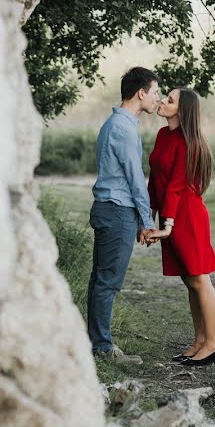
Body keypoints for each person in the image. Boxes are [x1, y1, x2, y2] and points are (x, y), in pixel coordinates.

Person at [88, 67, 161, 363]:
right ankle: (103, 349)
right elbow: (135, 180)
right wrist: (146, 221)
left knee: (100, 280)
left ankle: (95, 344)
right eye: (155, 92)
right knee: (107, 282)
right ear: (141, 93)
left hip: (109, 209)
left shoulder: (114, 124)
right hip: (116, 211)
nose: (157, 99)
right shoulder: (123, 129)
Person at [145, 87, 215, 366]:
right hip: (171, 214)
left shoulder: (189, 142)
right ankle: (199, 342)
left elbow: (177, 186)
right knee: (189, 280)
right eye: (164, 97)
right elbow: (155, 181)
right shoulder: (163, 135)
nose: (163, 101)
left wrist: (167, 225)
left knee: (199, 278)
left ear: (182, 110)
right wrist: (148, 216)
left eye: (170, 100)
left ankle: (212, 344)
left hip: (186, 216)